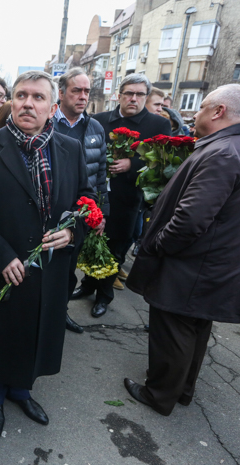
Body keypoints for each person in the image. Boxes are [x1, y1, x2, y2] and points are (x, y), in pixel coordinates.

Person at [124, 84, 240, 416]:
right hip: (223, 262)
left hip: (193, 265)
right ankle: (181, 390)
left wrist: (158, 245)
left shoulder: (224, 152)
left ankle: (159, 395)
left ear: (219, 111)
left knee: (173, 330)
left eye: (203, 106)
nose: (195, 113)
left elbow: (190, 219)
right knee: (195, 327)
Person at [0, 71, 93, 438]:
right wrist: (0, 256)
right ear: (11, 102)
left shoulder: (71, 149)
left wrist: (72, 232)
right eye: (21, 95)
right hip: (2, 265)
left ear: (52, 107)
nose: (27, 103)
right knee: (0, 335)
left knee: (37, 332)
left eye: (37, 97)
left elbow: (87, 199)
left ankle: (22, 390)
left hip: (51, 269)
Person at [71, 73, 171, 318]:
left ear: (146, 97)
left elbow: (163, 163)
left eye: (139, 94)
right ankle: (87, 284)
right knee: (92, 242)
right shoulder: (99, 120)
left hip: (129, 199)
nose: (133, 99)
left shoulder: (158, 125)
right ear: (119, 95)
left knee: (116, 247)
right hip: (96, 194)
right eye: (129, 93)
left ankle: (104, 294)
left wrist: (133, 164)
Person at [53, 68, 108, 334]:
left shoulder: (95, 127)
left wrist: (100, 212)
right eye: (77, 90)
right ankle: (44, 314)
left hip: (81, 213)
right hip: (51, 211)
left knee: (68, 269)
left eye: (87, 91)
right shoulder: (47, 123)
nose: (83, 96)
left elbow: (100, 174)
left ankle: (60, 312)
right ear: (61, 93)